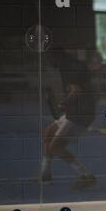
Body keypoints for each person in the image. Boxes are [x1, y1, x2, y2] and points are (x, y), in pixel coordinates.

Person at [39, 49, 99, 190]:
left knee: (56, 146)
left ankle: (86, 176)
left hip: (79, 115)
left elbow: (76, 91)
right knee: (47, 134)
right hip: (74, 112)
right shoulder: (69, 68)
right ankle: (45, 174)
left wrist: (63, 103)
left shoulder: (71, 70)